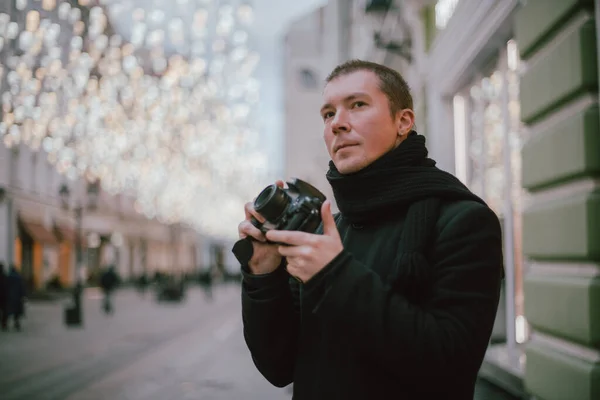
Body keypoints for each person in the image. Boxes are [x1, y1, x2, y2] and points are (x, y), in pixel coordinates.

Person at [237, 60, 504, 399]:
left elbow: (449, 364)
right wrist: (263, 274)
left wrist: (335, 275)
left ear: (403, 121)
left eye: (357, 105)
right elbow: (278, 366)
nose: (337, 124)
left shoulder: (464, 221)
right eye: (328, 114)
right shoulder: (325, 229)